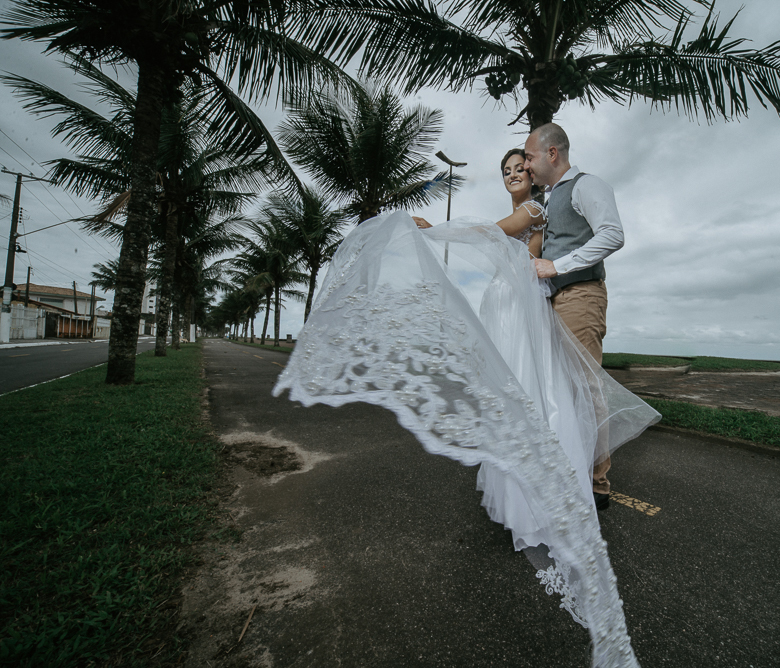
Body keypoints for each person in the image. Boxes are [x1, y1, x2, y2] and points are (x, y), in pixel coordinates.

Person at [273, 146, 659, 668]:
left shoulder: (540, 210)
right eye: (504, 171)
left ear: (537, 169)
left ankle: (557, 494)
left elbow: (491, 233)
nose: (512, 175)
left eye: (520, 168)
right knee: (517, 396)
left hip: (524, 307)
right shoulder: (530, 212)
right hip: (507, 305)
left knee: (538, 396)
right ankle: (533, 488)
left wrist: (430, 230)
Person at [524, 123, 623, 510]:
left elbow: (613, 234)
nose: (527, 165)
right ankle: (572, 469)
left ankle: (597, 483)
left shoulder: (586, 185)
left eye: (530, 157)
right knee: (563, 389)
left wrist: (558, 266)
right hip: (554, 301)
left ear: (552, 153)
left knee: (585, 387)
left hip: (580, 296)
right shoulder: (548, 198)